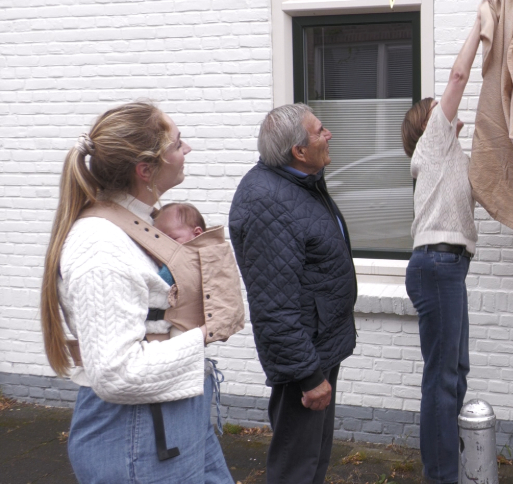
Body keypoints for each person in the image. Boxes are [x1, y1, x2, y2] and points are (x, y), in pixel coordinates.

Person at [40, 102, 232, 484]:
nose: (187, 150)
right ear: (146, 170)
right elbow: (115, 373)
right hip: (138, 437)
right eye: (178, 144)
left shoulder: (140, 222)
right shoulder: (100, 247)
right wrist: (201, 335)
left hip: (175, 418)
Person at [229, 104, 357, 484]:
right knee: (295, 468)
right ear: (298, 152)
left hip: (320, 344)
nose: (329, 134)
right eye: (319, 131)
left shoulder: (300, 184)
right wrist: (308, 375)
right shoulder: (268, 202)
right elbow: (273, 306)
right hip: (305, 356)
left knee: (312, 459)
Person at [398, 9, 481, 484]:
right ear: (429, 123)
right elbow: (458, 75)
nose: (448, 107)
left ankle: (444, 467)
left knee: (455, 371)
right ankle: (441, 477)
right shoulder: (433, 143)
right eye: (440, 107)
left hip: (447, 267)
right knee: (443, 379)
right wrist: (478, 25)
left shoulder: (449, 158)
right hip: (437, 265)